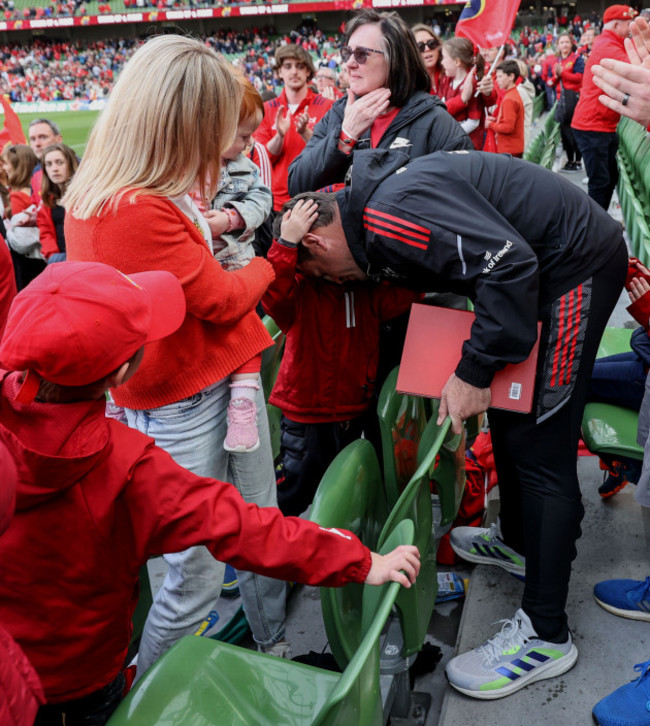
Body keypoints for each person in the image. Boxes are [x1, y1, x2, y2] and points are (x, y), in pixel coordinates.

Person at [0, 260, 421, 725]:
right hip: (81, 682)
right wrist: (363, 561)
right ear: (121, 374)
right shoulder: (129, 470)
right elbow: (245, 529)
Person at [279, 146, 627, 699]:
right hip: (547, 266)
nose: (341, 283)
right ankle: (520, 543)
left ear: (317, 241)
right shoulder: (377, 208)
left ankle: (546, 633)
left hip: (573, 263)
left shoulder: (387, 214)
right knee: (515, 419)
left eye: (323, 274)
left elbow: (508, 265)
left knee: (542, 441)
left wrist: (471, 372)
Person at [64, 34, 289, 675]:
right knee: (199, 568)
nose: (224, 142)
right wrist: (270, 266)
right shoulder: (141, 206)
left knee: (193, 546)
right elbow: (219, 298)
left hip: (165, 394)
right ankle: (144, 696)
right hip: (185, 394)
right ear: (183, 120)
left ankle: (262, 635)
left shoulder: (100, 190)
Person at [262, 198, 419, 516]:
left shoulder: (364, 288)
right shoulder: (299, 289)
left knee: (341, 488)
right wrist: (286, 243)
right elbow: (273, 294)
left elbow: (404, 296)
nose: (334, 275)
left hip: (352, 412)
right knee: (291, 493)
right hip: (306, 417)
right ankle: (267, 550)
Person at [287, 9, 472, 196]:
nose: (349, 63)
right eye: (347, 53)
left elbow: (466, 197)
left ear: (394, 59)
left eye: (361, 54)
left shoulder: (433, 120)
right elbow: (297, 184)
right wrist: (345, 137)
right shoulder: (338, 113)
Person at [202, 76, 273, 454]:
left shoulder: (243, 166)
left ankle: (243, 401)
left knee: (246, 328)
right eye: (242, 135)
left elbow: (262, 202)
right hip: (199, 267)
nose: (249, 143)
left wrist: (230, 219)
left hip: (235, 259)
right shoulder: (186, 164)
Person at [571, 4, 638, 210]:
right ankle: (593, 232)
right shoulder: (608, 46)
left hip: (602, 126)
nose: (631, 29)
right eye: (629, 25)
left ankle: (600, 225)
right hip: (592, 127)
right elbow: (636, 72)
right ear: (617, 25)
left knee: (609, 178)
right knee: (600, 183)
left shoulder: (610, 43)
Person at [254, 44, 333, 214]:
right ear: (279, 72)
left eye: (300, 66)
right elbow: (261, 160)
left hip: (317, 201)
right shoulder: (267, 109)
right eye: (288, 66)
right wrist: (280, 136)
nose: (294, 72)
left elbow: (331, 156)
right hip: (278, 205)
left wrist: (306, 133)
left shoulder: (326, 106)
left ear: (308, 72)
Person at [2, 144, 43, 290]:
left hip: (29, 262)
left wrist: (8, 230)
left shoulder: (17, 197)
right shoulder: (37, 189)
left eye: (6, 163)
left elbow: (21, 240)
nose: (4, 168)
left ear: (17, 167)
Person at [36, 143, 78, 264]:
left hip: (80, 257)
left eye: (59, 162)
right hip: (58, 259)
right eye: (49, 164)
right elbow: (45, 231)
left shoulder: (83, 195)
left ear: (70, 164)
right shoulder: (47, 199)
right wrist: (52, 255)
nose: (54, 168)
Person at [440, 38, 485, 150]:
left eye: (444, 58)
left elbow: (473, 122)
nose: (441, 62)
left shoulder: (472, 84)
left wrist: (451, 133)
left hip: (468, 145)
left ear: (457, 62)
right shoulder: (447, 81)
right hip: (453, 142)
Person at [553, 32, 585, 172]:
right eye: (562, 42)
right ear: (558, 46)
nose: (564, 45)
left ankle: (577, 161)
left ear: (571, 44)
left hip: (574, 97)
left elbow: (579, 78)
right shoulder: (558, 61)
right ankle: (570, 160)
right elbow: (551, 81)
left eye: (567, 42)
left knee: (575, 129)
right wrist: (555, 75)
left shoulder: (577, 59)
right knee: (565, 131)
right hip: (562, 98)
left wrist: (562, 73)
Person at [485, 60, 525, 156]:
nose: (497, 80)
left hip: (509, 149)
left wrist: (490, 124)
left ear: (511, 77)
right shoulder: (512, 94)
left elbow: (508, 127)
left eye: (500, 77)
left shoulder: (509, 99)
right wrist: (495, 120)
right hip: (513, 148)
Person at [27, 118, 62, 206]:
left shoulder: (77, 167)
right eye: (33, 139)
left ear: (58, 139)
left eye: (43, 137)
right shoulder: (35, 171)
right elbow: (36, 204)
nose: (37, 144)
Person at [411, 23, 445, 97]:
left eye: (431, 43)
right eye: (420, 46)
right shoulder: (409, 84)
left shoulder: (451, 71)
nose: (427, 49)